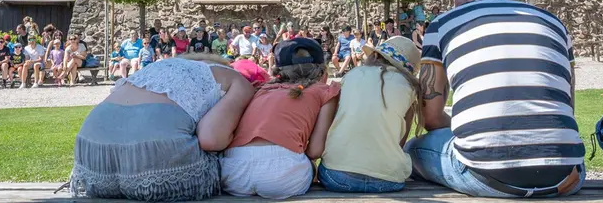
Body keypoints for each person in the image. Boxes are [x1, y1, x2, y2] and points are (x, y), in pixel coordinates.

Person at [406, 0, 585, 198]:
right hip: (565, 174)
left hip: (485, 176)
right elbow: (567, 105)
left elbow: (431, 117)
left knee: (413, 148)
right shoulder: (555, 24)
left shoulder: (443, 24)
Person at [70, 56, 254, 200]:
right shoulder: (236, 80)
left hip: (93, 162)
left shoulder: (158, 68)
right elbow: (211, 139)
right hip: (158, 167)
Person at [222, 38, 339, 198]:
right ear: (323, 72)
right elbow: (315, 150)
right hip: (283, 175)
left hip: (232, 173)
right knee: (311, 166)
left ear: (277, 71)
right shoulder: (324, 92)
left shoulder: (259, 89)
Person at [321, 35, 421, 193]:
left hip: (337, 176)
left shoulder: (352, 75)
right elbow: (400, 142)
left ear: (375, 55)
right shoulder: (408, 88)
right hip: (389, 179)